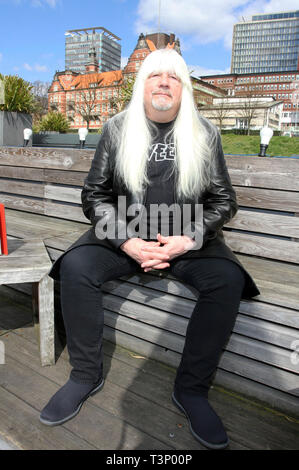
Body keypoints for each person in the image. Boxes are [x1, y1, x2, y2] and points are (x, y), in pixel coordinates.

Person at [39, 48, 259, 450]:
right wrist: (126, 240)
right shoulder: (118, 128)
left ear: (183, 89)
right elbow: (94, 195)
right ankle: (85, 375)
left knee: (227, 280)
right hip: (124, 234)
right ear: (141, 85)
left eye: (173, 77)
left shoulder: (205, 133)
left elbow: (224, 201)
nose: (163, 82)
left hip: (185, 239)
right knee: (76, 267)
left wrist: (189, 238)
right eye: (154, 75)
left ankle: (191, 390)